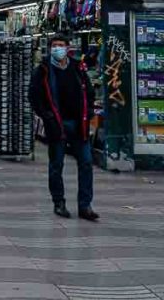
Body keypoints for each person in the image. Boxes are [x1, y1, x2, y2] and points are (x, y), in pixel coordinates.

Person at [28, 33, 99, 222]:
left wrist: (89, 110)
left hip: (79, 123)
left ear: (68, 48)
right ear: (50, 48)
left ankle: (85, 205)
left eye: (61, 45)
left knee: (86, 162)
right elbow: (34, 96)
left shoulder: (77, 67)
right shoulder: (42, 70)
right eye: (55, 45)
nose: (58, 48)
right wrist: (47, 116)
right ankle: (58, 202)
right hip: (57, 124)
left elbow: (88, 91)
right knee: (56, 164)